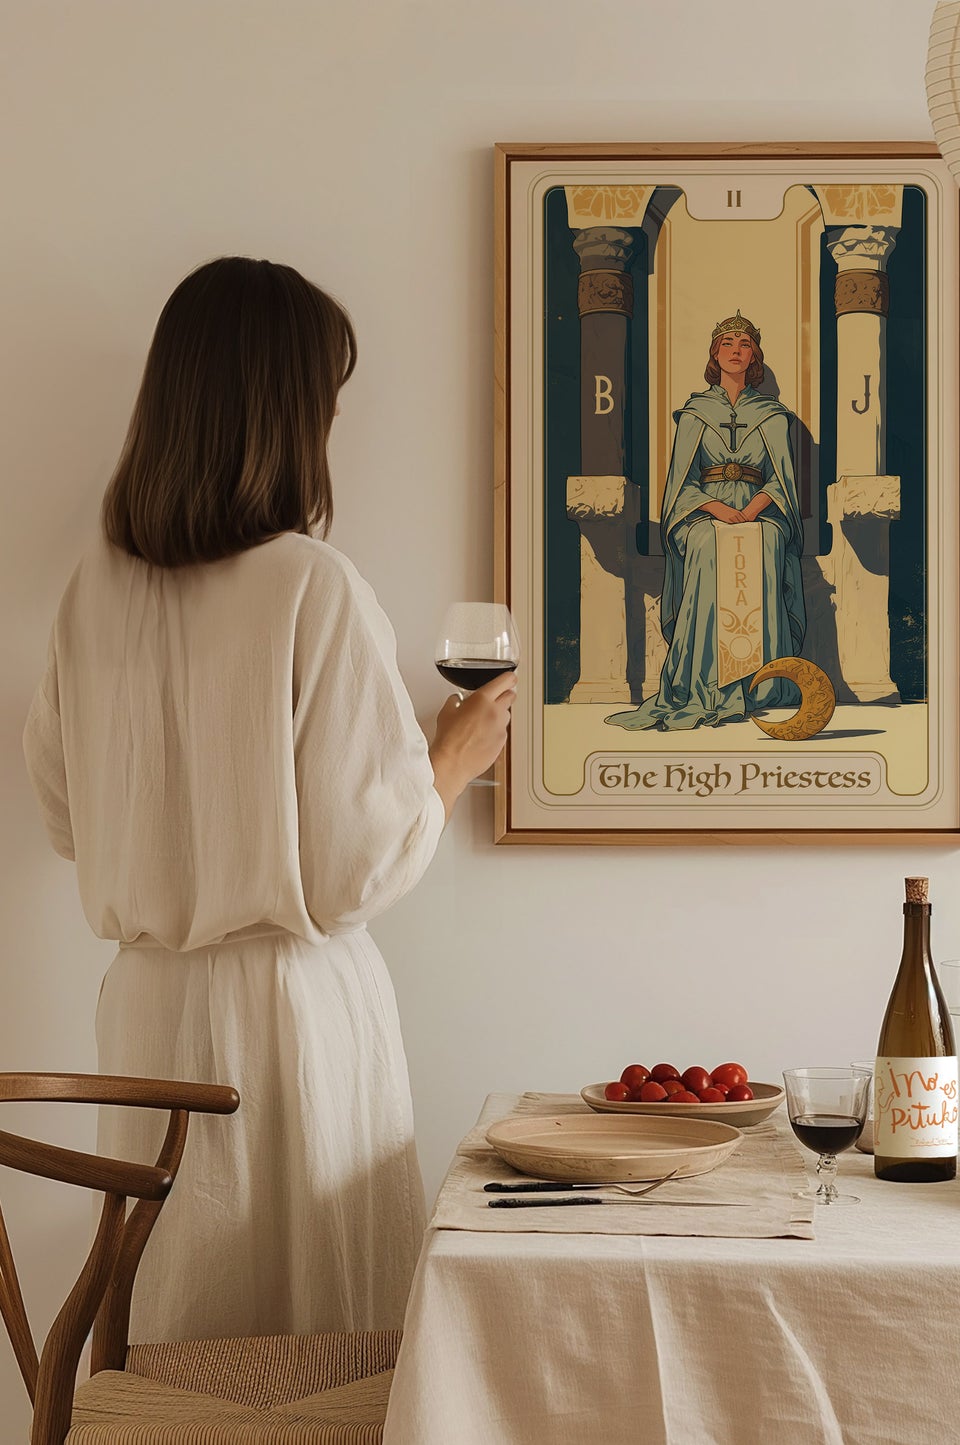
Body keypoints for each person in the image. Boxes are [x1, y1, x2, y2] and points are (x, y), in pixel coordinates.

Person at [21, 256, 512, 1342]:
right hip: (288, 1019)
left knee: (177, 1329)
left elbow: (64, 816)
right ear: (287, 413)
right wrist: (449, 758)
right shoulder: (309, 583)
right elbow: (351, 871)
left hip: (146, 1009)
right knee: (312, 1344)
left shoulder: (92, 590)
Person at [605, 310, 805, 731]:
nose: (736, 351)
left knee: (767, 541)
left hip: (759, 508)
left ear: (755, 357)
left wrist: (751, 511)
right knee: (703, 543)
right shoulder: (695, 413)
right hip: (706, 509)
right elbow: (683, 481)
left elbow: (781, 479)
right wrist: (717, 510)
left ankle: (758, 685)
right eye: (728, 344)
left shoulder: (772, 414)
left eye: (744, 344)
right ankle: (704, 679)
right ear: (715, 354)